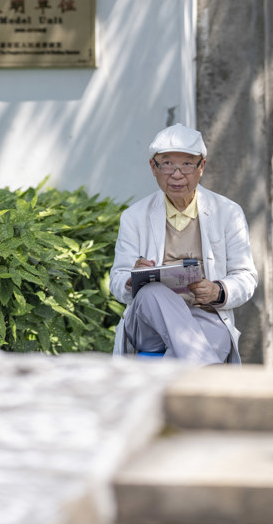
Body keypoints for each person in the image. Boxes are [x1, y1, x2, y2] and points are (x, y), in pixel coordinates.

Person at [110, 124, 257, 363]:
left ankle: (183, 376)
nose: (177, 174)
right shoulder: (134, 216)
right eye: (167, 164)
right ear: (153, 167)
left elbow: (246, 277)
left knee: (207, 345)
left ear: (202, 167)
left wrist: (218, 290)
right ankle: (205, 368)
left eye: (187, 164)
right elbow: (116, 281)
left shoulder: (228, 212)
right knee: (152, 291)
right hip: (149, 327)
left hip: (205, 316)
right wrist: (131, 278)